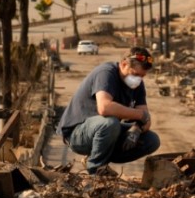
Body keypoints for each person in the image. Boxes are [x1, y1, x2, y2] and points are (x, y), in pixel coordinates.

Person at [58, 46, 161, 175]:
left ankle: (100, 158)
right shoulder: (106, 73)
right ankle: (96, 170)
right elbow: (104, 108)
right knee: (111, 123)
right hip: (77, 133)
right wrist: (139, 116)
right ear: (123, 64)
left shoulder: (137, 85)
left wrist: (137, 129)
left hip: (104, 133)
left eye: (142, 76)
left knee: (152, 140)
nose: (139, 79)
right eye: (135, 74)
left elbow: (146, 120)